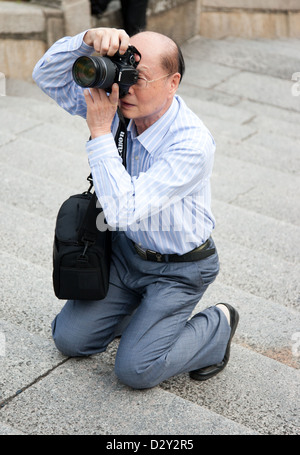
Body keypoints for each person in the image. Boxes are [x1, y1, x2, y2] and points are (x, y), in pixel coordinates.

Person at [32, 27, 239, 389]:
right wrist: (87, 39)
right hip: (126, 256)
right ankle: (138, 315)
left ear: (172, 82)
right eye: (121, 70)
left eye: (138, 77)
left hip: (180, 270)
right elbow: (45, 76)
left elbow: (122, 212)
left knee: (135, 371)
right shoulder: (118, 106)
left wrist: (99, 133)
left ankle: (219, 325)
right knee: (70, 340)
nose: (125, 86)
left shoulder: (191, 144)